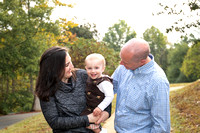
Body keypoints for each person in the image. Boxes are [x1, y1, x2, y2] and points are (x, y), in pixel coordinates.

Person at [35, 46, 111, 133]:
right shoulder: (46, 90)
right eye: (67, 65)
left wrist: (106, 113)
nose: (72, 66)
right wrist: (87, 119)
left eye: (70, 62)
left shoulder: (83, 76)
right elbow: (54, 122)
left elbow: (103, 94)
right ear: (54, 69)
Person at [112, 38, 171, 132]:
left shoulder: (158, 81)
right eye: (121, 59)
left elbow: (161, 126)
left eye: (125, 62)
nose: (121, 63)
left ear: (142, 61)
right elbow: (109, 89)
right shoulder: (123, 67)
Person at [81, 53, 114, 133]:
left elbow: (110, 96)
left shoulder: (105, 83)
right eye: (89, 68)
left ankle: (100, 131)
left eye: (96, 68)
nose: (93, 71)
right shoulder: (89, 79)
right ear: (86, 68)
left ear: (103, 68)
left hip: (98, 108)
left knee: (94, 125)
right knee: (83, 120)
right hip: (89, 107)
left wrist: (100, 108)